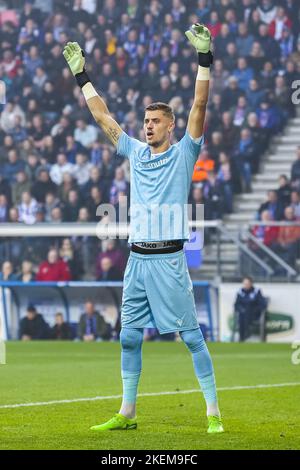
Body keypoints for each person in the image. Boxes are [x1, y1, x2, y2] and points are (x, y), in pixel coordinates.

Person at [63, 23, 223, 433]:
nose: (148, 125)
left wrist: (205, 58)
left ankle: (212, 412)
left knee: (190, 338)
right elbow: (102, 116)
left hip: (170, 259)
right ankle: (128, 413)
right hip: (136, 260)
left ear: (170, 126)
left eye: (155, 121)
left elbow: (200, 107)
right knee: (129, 337)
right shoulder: (134, 151)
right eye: (146, 120)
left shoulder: (186, 151)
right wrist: (82, 75)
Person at [234, 277, 268, 342]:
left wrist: (256, 309)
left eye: (247, 283)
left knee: (248, 310)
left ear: (251, 283)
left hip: (255, 314)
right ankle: (242, 338)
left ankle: (245, 334)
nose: (246, 285)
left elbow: (262, 304)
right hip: (243, 314)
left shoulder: (257, 291)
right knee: (243, 315)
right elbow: (236, 305)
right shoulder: (240, 292)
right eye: (244, 284)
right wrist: (241, 309)